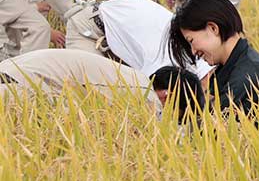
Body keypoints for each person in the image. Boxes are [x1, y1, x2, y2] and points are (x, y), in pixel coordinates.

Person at [168, 0, 259, 125]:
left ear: (213, 28)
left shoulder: (245, 78)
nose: (193, 52)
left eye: (191, 41)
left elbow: (211, 133)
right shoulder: (238, 66)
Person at [65, 0, 212, 79]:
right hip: (89, 29)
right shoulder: (168, 57)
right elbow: (148, 88)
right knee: (92, 93)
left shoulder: (197, 49)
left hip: (123, 33)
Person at [0, 48, 159, 112]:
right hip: (16, 86)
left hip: (11, 72)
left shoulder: (132, 76)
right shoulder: (146, 94)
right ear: (167, 94)